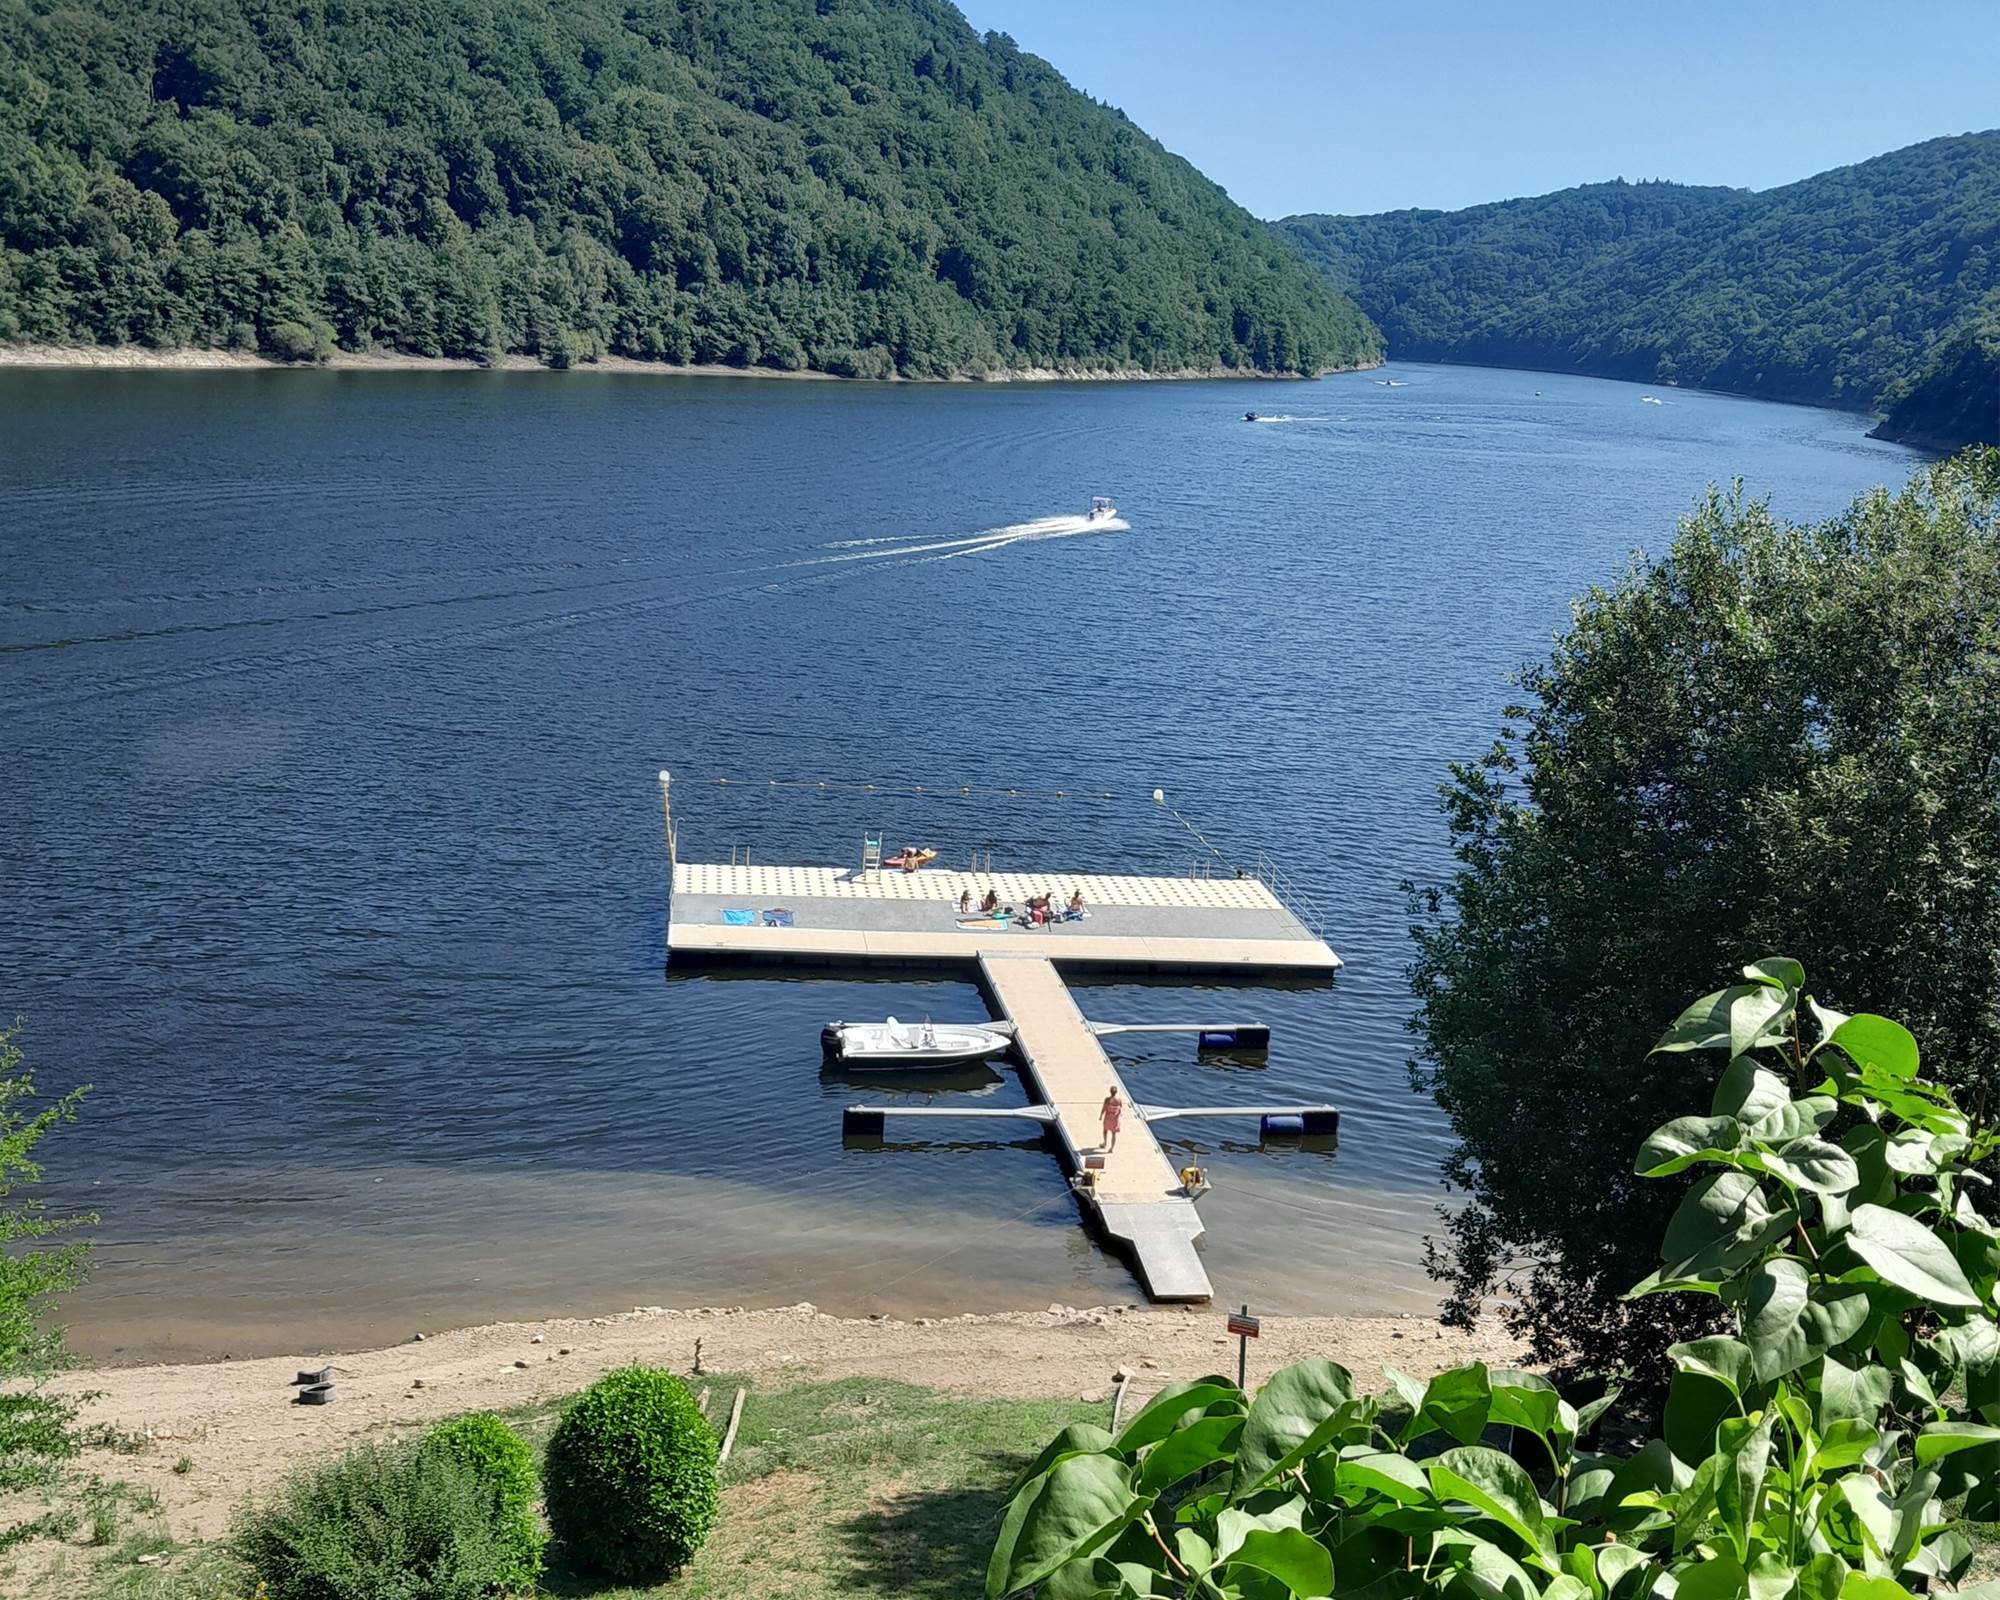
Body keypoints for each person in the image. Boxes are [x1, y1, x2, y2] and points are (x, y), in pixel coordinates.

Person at [1100, 1088, 1123, 1153]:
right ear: (1116, 1092)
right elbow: (1120, 1107)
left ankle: (1104, 1143)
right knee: (1113, 1134)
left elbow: (1104, 1108)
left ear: (1110, 1092)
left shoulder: (1107, 1100)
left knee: (1105, 1130)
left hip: (1108, 1118)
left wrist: (1101, 1115)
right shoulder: (1119, 1100)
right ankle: (1112, 1148)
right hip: (1115, 1119)